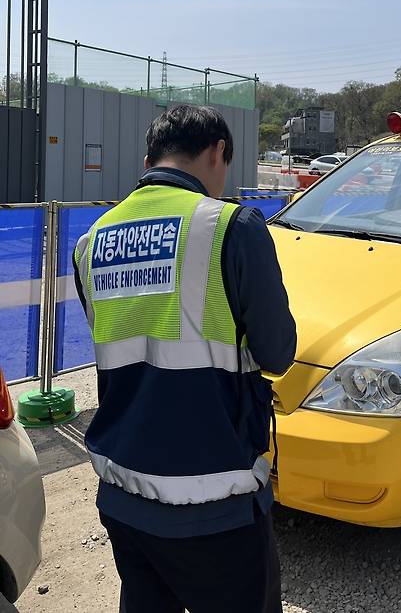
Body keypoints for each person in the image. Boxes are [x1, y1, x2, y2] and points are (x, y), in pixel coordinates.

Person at [72, 104, 297, 613]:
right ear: (217, 152)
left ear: (151, 156)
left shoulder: (91, 242)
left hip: (123, 491)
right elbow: (278, 352)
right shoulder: (231, 227)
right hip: (215, 502)